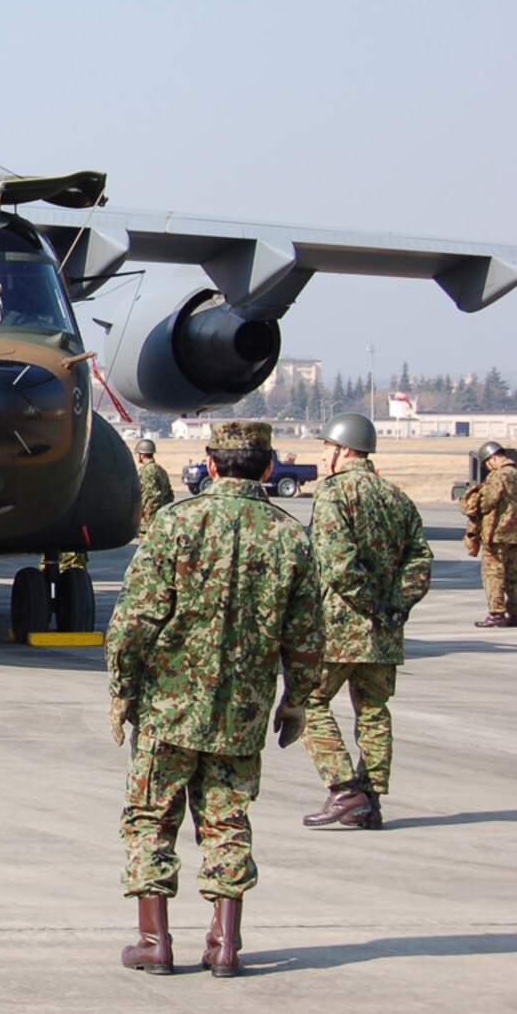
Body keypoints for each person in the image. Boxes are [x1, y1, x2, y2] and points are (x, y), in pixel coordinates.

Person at [105, 420, 322, 979]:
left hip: (169, 708)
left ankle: (154, 941)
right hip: (241, 714)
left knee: (151, 819)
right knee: (227, 821)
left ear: (211, 462)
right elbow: (306, 637)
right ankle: (225, 944)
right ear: (269, 468)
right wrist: (297, 700)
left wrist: (122, 689)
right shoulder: (291, 536)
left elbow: (135, 618)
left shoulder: (177, 522)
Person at [298, 412, 431, 832]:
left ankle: (343, 789)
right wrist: (396, 605)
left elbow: (336, 563)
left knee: (308, 703)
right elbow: (420, 561)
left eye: (327, 448)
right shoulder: (397, 498)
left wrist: (369, 603)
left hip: (340, 627)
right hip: (384, 634)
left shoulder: (334, 494)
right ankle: (370, 799)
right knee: (374, 711)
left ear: (344, 450)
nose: (324, 455)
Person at [460, 441, 517, 628]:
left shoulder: (499, 476)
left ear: (493, 458)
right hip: (514, 534)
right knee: (513, 575)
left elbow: (487, 502)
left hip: (498, 533)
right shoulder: (515, 473)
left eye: (487, 462)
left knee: (493, 574)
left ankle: (497, 613)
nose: (487, 466)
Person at [135, 438, 174, 534]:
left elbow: (153, 496)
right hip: (163, 517)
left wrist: (148, 515)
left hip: (150, 522)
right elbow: (170, 495)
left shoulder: (146, 470)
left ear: (142, 455)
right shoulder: (160, 470)